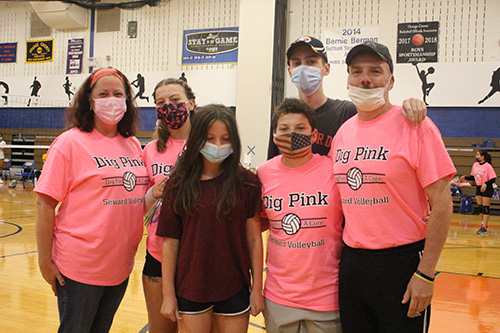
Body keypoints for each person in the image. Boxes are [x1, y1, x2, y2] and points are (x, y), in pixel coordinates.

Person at [330, 41, 456, 332]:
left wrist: (425, 274)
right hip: (353, 264)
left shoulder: (416, 125)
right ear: (347, 78)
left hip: (401, 263)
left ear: (391, 81)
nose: (365, 78)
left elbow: (442, 203)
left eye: (375, 71)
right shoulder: (343, 132)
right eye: (356, 71)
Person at [34, 67, 148, 332]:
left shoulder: (132, 144)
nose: (112, 99)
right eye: (104, 93)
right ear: (90, 100)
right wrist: (44, 262)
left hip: (120, 266)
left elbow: (134, 200)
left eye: (118, 94)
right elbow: (45, 204)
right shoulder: (69, 143)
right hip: (80, 267)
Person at [157, 105, 265, 332]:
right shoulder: (178, 184)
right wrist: (168, 295)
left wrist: (257, 289)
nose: (218, 146)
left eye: (225, 139)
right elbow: (170, 243)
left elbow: (254, 240)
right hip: (191, 288)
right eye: (210, 138)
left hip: (234, 287)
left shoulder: (247, 183)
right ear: (197, 139)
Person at [257, 98, 343, 332]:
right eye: (284, 129)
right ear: (274, 135)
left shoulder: (333, 170)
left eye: (300, 128)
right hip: (278, 297)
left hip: (328, 298)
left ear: (314, 135)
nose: (292, 134)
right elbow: (257, 226)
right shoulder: (263, 173)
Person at [267, 35, 428, 158]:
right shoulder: (283, 119)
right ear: (290, 71)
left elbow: (382, 117)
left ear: (326, 68)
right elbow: (276, 164)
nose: (303, 69)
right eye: (297, 63)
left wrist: (411, 105)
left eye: (311, 62)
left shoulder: (348, 112)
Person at [141, 78, 196, 333]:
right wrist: (155, 191)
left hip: (196, 255)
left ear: (191, 103)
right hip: (157, 254)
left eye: (175, 100)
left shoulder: (207, 146)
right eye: (161, 103)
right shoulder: (150, 150)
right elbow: (140, 204)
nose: (169, 107)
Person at [460, 150, 497, 234]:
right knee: (480, 207)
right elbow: (473, 177)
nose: (476, 156)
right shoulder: (475, 165)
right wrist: (465, 177)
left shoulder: (488, 166)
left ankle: (484, 226)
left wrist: (486, 183)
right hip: (478, 187)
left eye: (478, 155)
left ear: (483, 156)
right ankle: (484, 224)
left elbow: (493, 178)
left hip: (487, 188)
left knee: (485, 207)